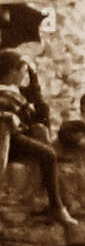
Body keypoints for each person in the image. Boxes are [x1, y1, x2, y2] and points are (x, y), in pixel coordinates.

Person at [0, 50, 76, 226]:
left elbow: (42, 117)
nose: (24, 75)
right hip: (7, 140)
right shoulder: (7, 94)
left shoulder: (16, 92)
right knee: (47, 154)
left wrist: (34, 84)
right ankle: (57, 207)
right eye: (23, 71)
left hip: (15, 139)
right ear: (13, 71)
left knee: (40, 133)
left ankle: (58, 201)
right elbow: (32, 117)